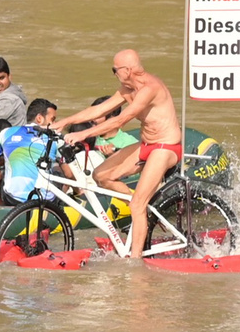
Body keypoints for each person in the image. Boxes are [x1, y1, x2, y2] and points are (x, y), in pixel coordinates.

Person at [54, 49, 184, 262]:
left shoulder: (149, 89)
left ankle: (135, 261)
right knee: (101, 175)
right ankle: (144, 209)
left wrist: (83, 134)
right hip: (147, 144)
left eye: (115, 70)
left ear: (128, 70)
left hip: (166, 147)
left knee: (137, 205)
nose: (114, 73)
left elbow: (120, 120)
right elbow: (99, 110)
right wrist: (66, 122)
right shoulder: (128, 87)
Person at [0, 99, 62, 202]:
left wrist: (13, 158)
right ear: (39, 118)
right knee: (58, 169)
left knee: (2, 170)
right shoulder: (55, 138)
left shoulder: (6, 132)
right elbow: (69, 173)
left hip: (13, 199)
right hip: (44, 201)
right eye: (53, 119)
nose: (55, 123)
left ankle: (1, 208)